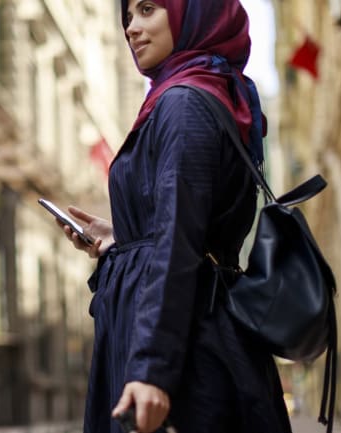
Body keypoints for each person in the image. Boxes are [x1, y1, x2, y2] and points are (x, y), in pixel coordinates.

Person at [57, 1, 292, 432]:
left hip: (188, 352)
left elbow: (179, 244)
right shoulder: (189, 94)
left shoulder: (184, 103)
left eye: (148, 9)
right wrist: (122, 236)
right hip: (180, 333)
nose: (131, 28)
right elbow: (186, 224)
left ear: (194, 14)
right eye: (128, 15)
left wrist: (152, 370)